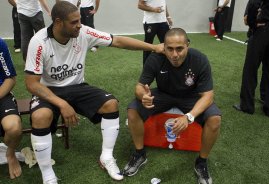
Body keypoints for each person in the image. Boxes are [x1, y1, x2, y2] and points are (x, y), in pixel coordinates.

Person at [24, 1, 164, 183]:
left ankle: (106, 157)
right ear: (58, 22)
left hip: (77, 87)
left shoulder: (83, 33)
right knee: (40, 116)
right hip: (48, 90)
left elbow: (118, 41)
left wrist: (154, 48)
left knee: (111, 104)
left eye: (79, 20)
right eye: (74, 22)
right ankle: (47, 173)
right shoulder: (39, 42)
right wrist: (62, 103)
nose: (79, 25)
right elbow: (32, 84)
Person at [122, 28, 221, 184]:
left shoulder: (200, 59)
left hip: (191, 96)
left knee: (215, 119)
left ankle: (201, 162)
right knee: (133, 110)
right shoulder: (155, 58)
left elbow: (208, 96)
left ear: (187, 45)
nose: (175, 54)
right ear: (164, 47)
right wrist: (144, 96)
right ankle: (140, 154)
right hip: (163, 94)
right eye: (170, 49)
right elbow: (140, 86)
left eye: (179, 48)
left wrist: (189, 117)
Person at [233, 0, 269, 117]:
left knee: (251, 68)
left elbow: (254, 2)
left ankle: (247, 106)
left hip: (264, 28)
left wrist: (252, 23)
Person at [0, 38, 22, 179]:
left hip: (2, 94)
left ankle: (10, 153)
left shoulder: (0, 44)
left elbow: (10, 79)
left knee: (14, 127)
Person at [138, 0, 172, 65]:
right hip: (150, 22)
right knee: (147, 45)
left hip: (163, 21)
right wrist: (154, 9)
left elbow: (164, 4)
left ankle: (167, 66)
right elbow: (140, 5)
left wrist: (168, 17)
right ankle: (146, 68)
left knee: (167, 44)